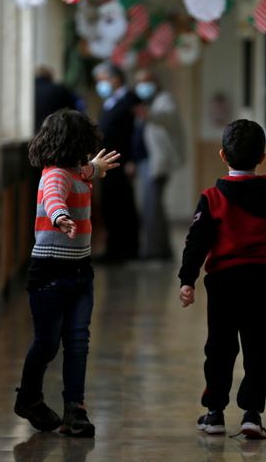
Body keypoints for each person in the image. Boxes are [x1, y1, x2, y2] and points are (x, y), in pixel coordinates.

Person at [178, 119, 266, 439]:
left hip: (223, 284)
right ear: (262, 158)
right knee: (258, 349)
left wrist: (187, 279)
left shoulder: (212, 197)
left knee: (219, 348)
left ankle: (215, 413)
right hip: (261, 283)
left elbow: (197, 241)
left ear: (222, 155)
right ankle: (252, 414)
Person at [14, 109, 121, 436]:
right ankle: (29, 397)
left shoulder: (76, 171)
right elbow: (53, 197)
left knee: (77, 341)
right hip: (50, 271)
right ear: (75, 143)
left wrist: (97, 169)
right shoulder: (55, 175)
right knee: (47, 343)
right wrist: (60, 218)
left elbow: (85, 172)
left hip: (79, 269)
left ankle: (75, 409)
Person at [133, 69, 186, 260]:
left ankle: (154, 251)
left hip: (158, 162)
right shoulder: (148, 103)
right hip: (147, 161)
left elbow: (165, 116)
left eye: (146, 82)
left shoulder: (164, 100)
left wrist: (147, 114)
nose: (142, 87)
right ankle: (162, 249)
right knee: (151, 206)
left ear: (156, 83)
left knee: (153, 206)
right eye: (139, 83)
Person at [93, 62, 140, 261]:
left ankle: (126, 250)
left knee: (123, 205)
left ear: (115, 79)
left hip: (122, 161)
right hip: (108, 160)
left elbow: (136, 133)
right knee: (110, 204)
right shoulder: (110, 101)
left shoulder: (130, 100)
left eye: (102, 79)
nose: (100, 84)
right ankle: (113, 248)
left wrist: (133, 160)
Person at [34, 66, 86, 133]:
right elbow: (76, 106)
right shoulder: (59, 89)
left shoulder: (28, 92)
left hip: (35, 131)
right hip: (56, 129)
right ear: (50, 76)